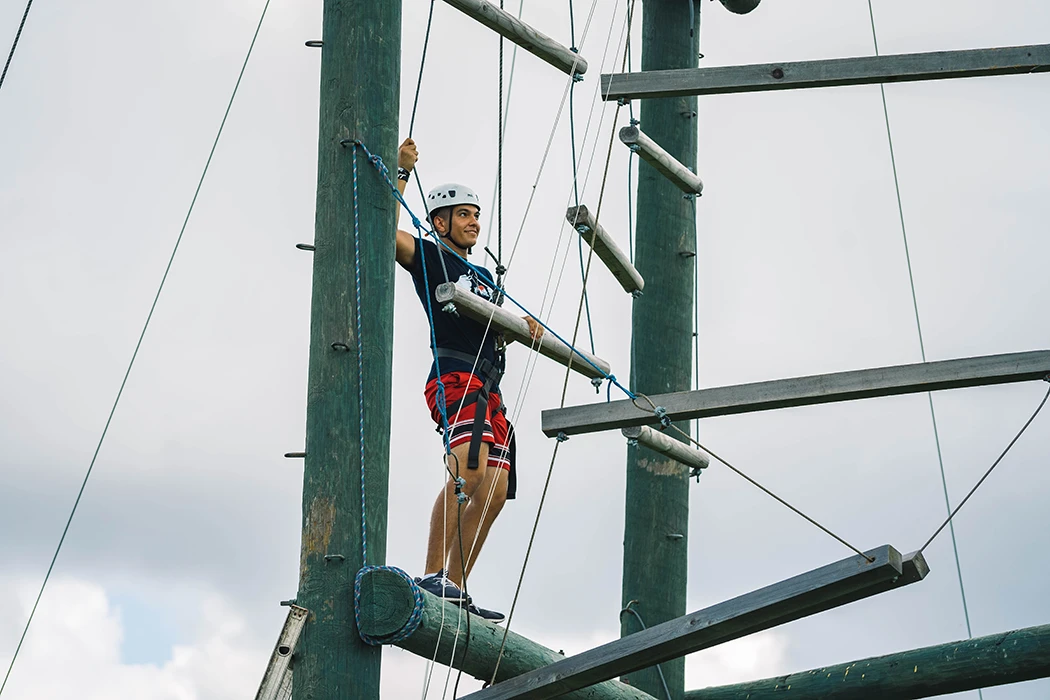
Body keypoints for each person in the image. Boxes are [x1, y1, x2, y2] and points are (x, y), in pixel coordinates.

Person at [393, 138, 542, 622]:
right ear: (440, 223)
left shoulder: (483, 277)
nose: (473, 222)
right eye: (463, 214)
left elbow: (496, 328)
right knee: (469, 471)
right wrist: (401, 173)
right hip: (455, 376)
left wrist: (521, 326)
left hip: (489, 388)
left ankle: (455, 585)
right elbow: (383, 230)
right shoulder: (430, 256)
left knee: (495, 489)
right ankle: (432, 574)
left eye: (476, 214)